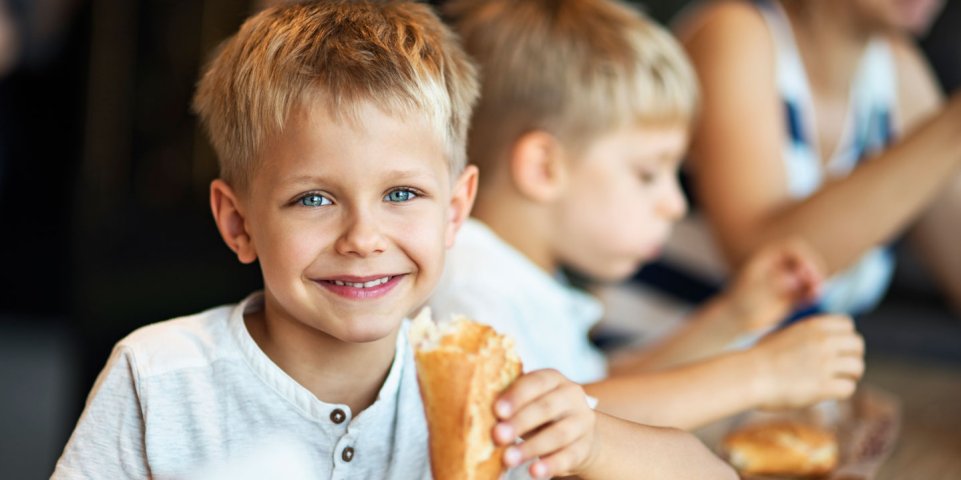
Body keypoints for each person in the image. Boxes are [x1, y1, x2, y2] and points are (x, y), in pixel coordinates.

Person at [51, 2, 735, 479]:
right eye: (313, 199)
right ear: (238, 223)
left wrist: (589, 439)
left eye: (401, 194)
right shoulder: (159, 378)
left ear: (455, 211)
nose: (362, 237)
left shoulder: (482, 387)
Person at [430, 0, 865, 430]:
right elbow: (550, 430)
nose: (674, 203)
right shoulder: (473, 283)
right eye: (648, 173)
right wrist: (761, 375)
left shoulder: (523, 276)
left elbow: (602, 389)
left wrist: (735, 315)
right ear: (544, 167)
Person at [655, 0, 961, 316]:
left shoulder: (897, 74)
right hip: (646, 358)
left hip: (776, 365)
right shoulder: (739, 32)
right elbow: (767, 264)